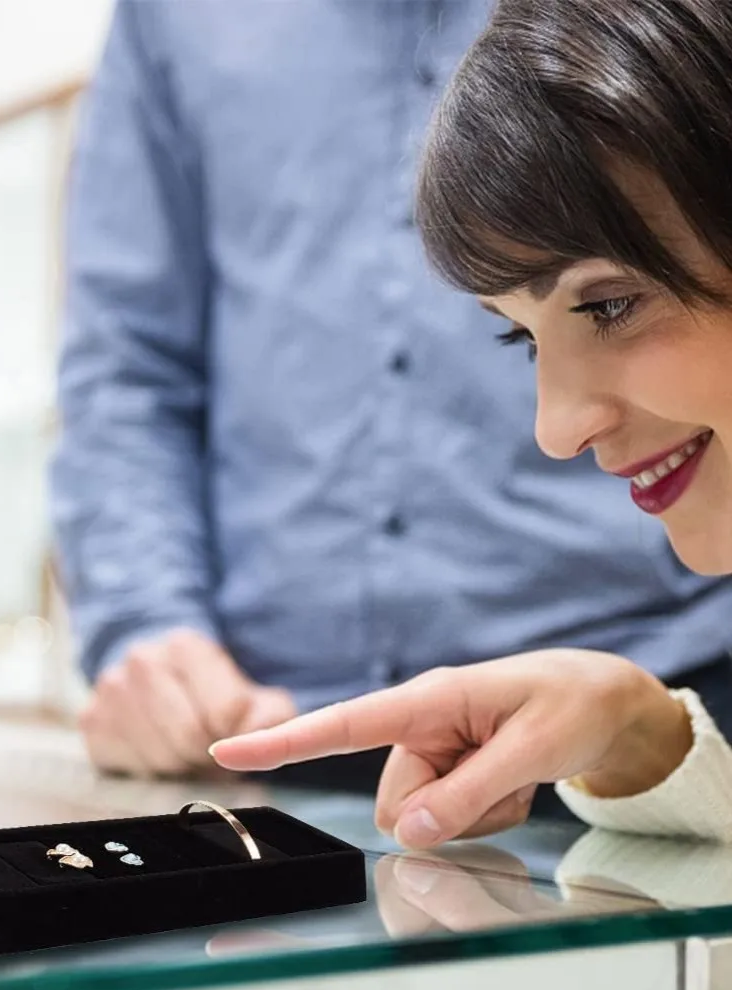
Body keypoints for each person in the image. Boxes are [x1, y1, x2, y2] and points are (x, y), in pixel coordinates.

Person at [53, 0, 732, 785]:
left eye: (607, 306)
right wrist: (148, 625)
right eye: (517, 336)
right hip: (273, 726)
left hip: (667, 694)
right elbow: (126, 367)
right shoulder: (171, 19)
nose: (556, 427)